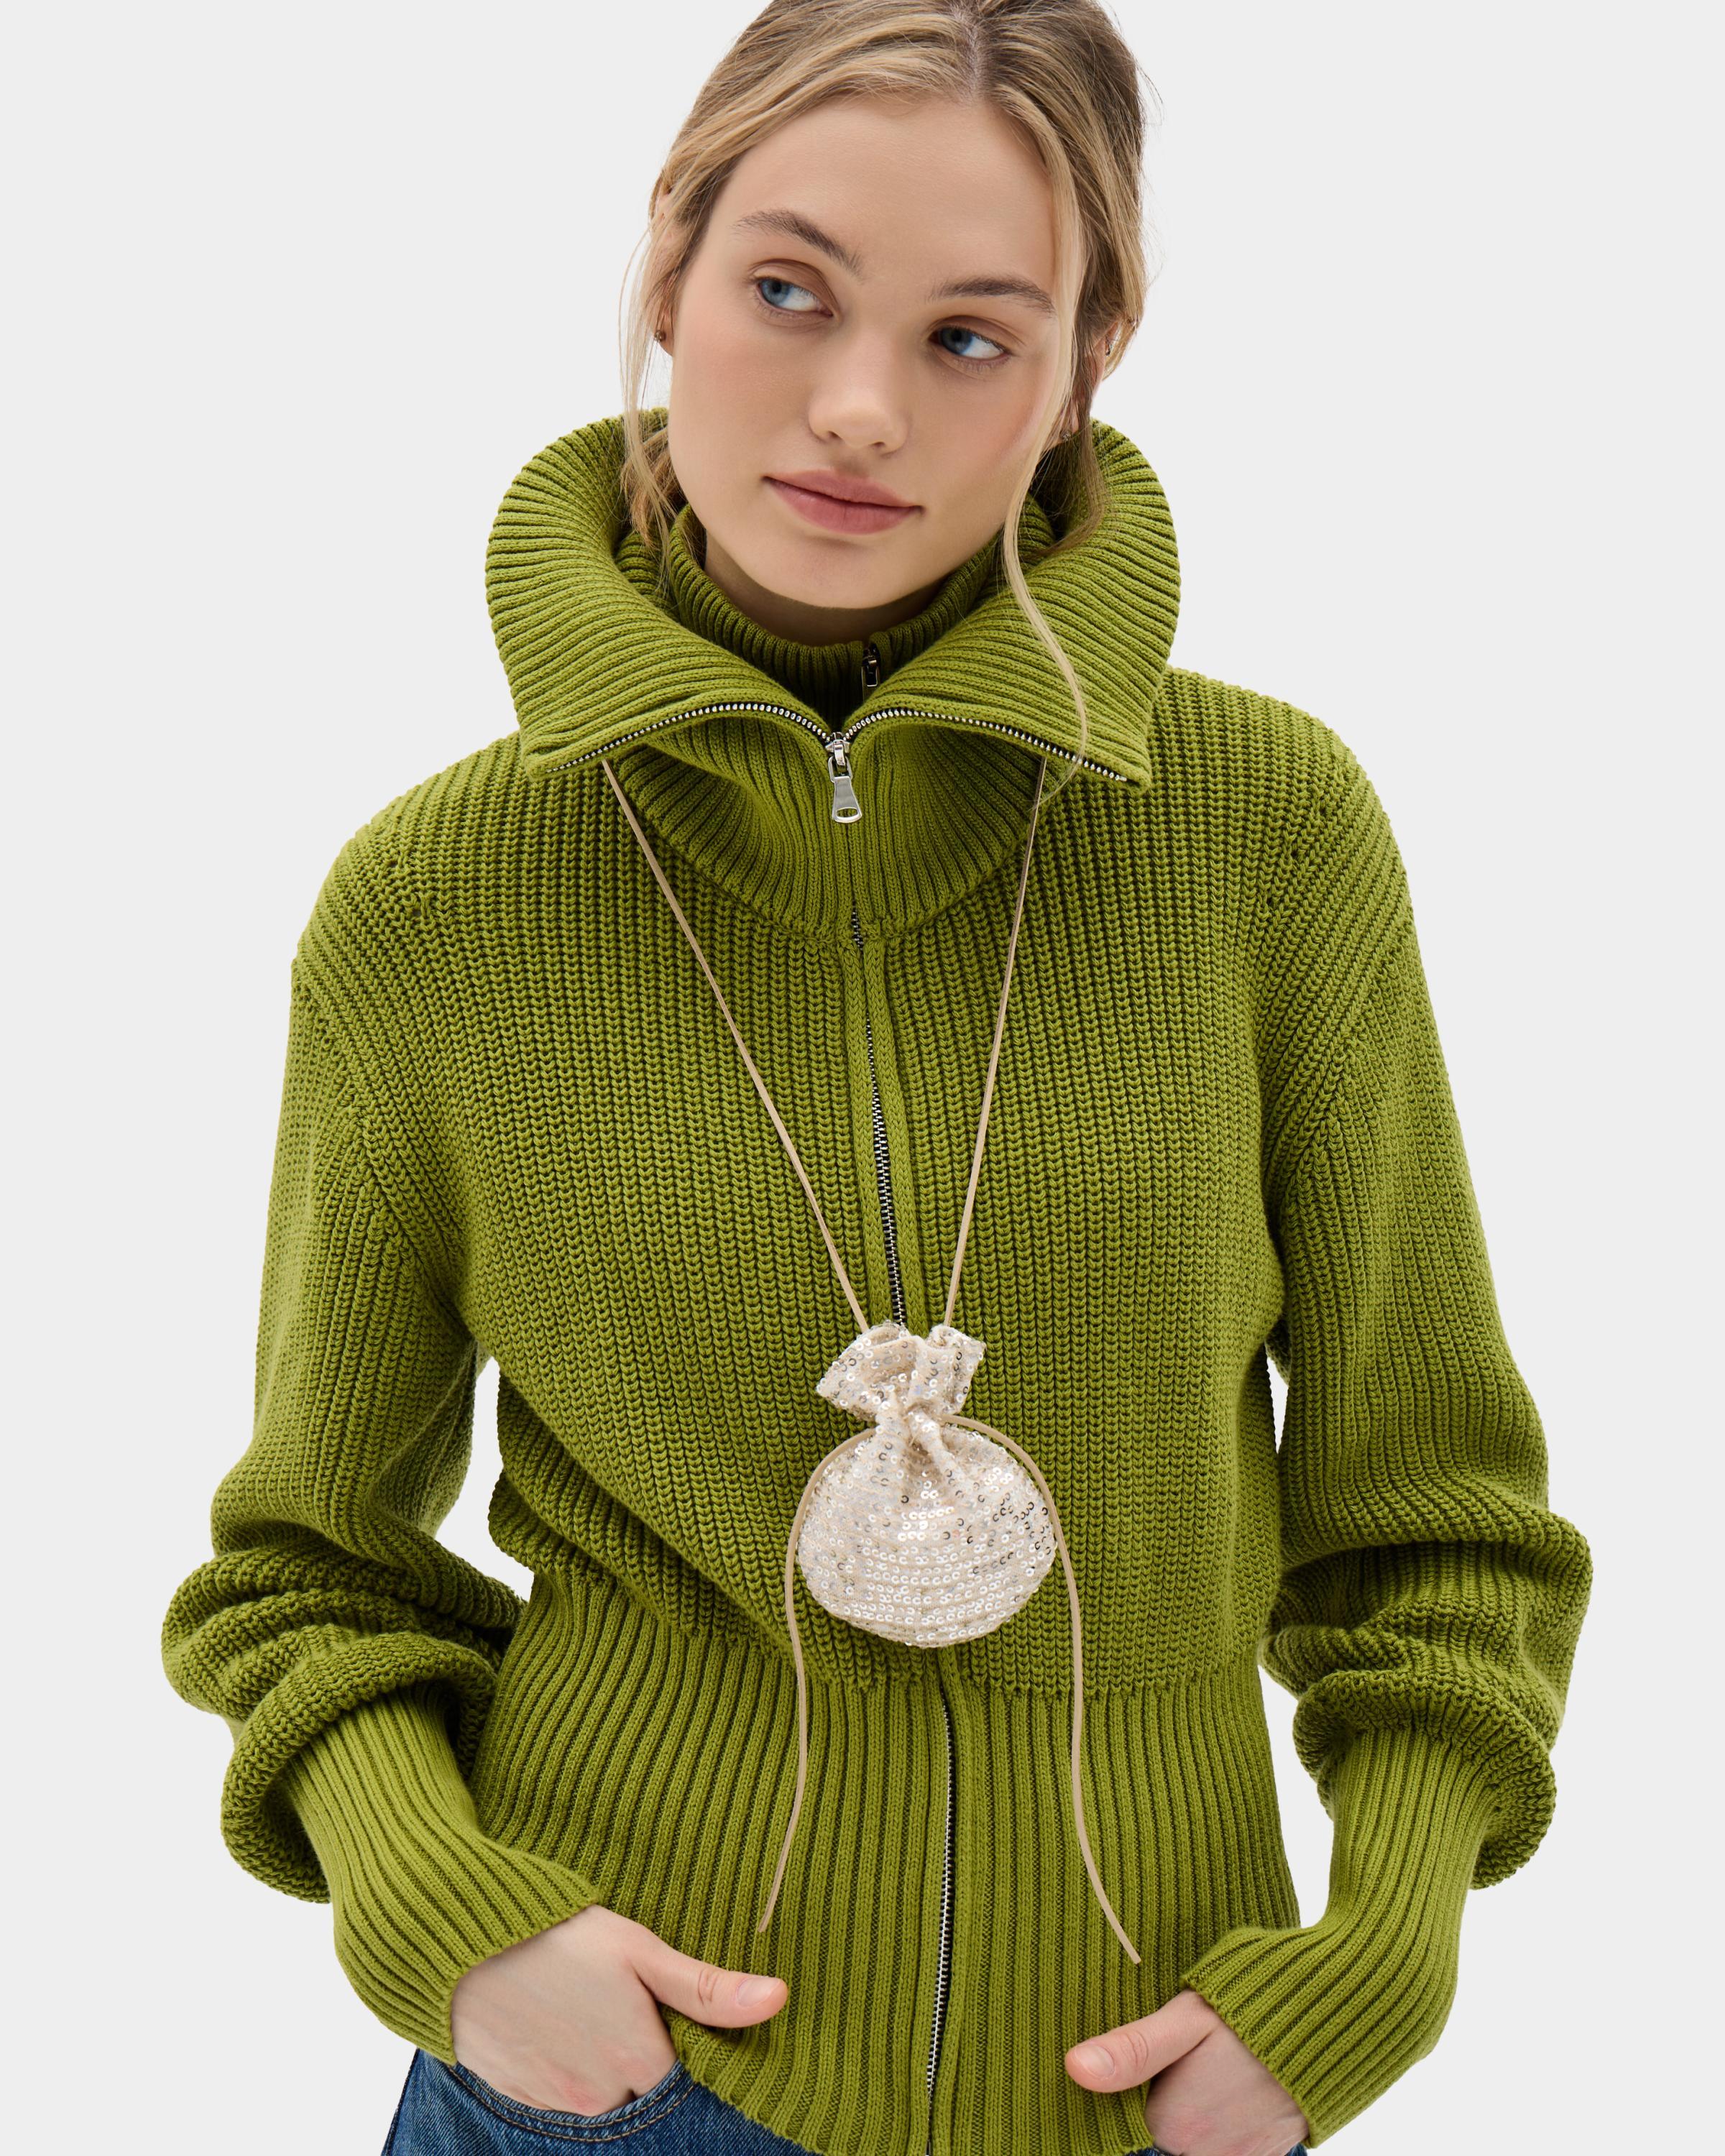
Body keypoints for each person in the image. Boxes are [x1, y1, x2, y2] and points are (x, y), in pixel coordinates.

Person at [159, 4, 1593, 2153]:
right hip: (609, 2091)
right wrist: (452, 1919)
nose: (857, 407)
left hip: (1149, 2084)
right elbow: (304, 1564)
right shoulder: (437, 900)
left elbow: (1435, 1516)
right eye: (788, 290)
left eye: (968, 337)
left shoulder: (1265, 835)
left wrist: (1380, 1951)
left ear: (1084, 365)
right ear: (670, 269)